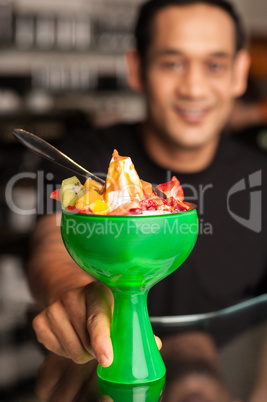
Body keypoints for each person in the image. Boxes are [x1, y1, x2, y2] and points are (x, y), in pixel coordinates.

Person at [26, 0, 267, 377]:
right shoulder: (81, 157)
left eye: (215, 65)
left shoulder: (260, 174)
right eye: (172, 63)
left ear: (239, 73)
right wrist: (76, 294)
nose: (194, 87)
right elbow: (52, 242)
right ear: (136, 69)